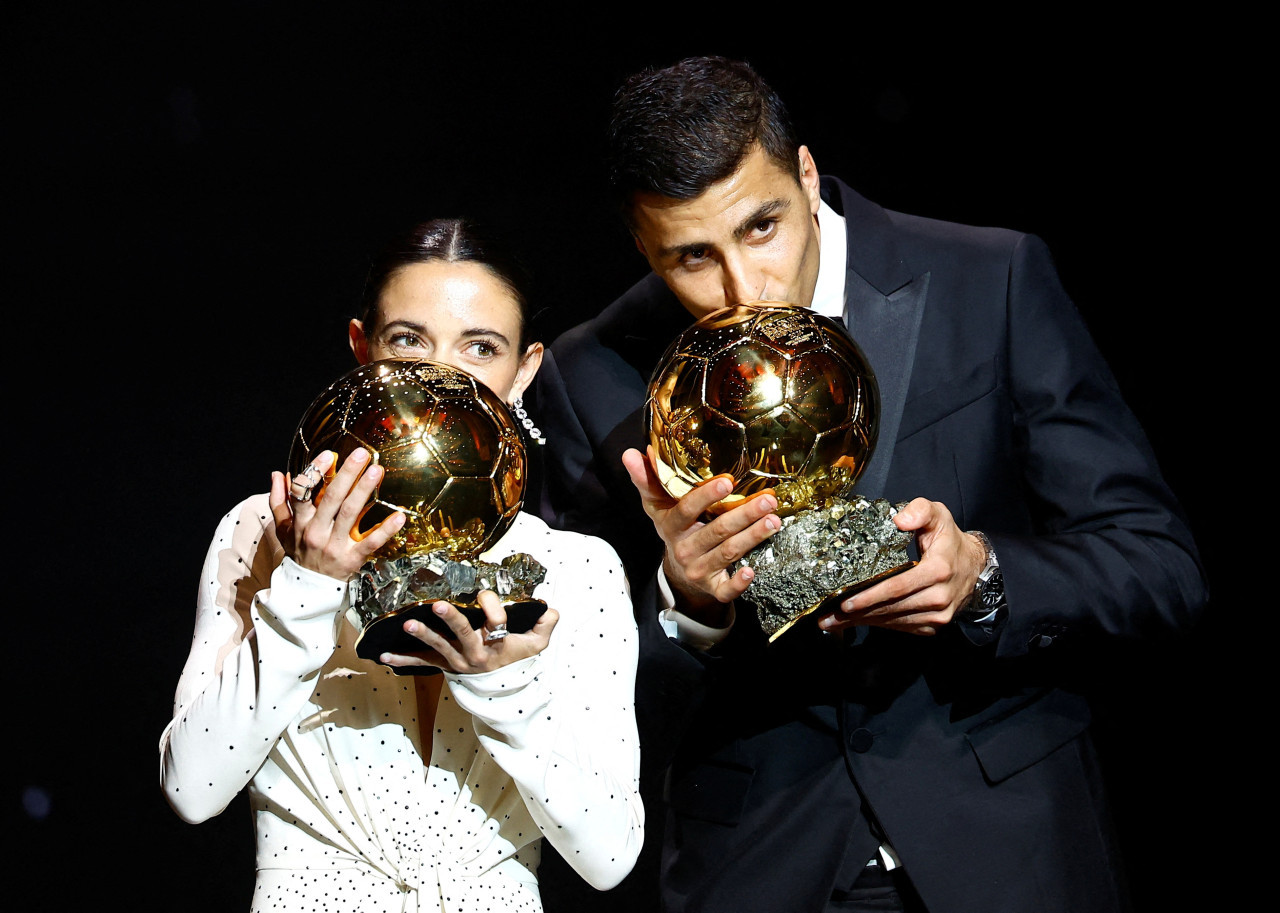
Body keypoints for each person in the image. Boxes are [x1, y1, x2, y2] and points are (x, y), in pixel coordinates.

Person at [533, 56, 1209, 913]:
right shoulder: (592, 373)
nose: (745, 287)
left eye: (762, 227)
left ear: (806, 175)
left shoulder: (989, 279)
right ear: (641, 245)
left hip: (1007, 854)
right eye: (692, 257)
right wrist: (686, 606)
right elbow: (573, 707)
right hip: (763, 866)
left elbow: (1159, 564)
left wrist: (985, 577)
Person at [159, 218, 644, 912]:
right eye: (409, 339)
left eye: (481, 347)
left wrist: (504, 689)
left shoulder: (574, 568)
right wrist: (307, 584)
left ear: (525, 370)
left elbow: (610, 856)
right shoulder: (261, 531)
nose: (441, 378)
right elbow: (191, 787)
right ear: (362, 348)